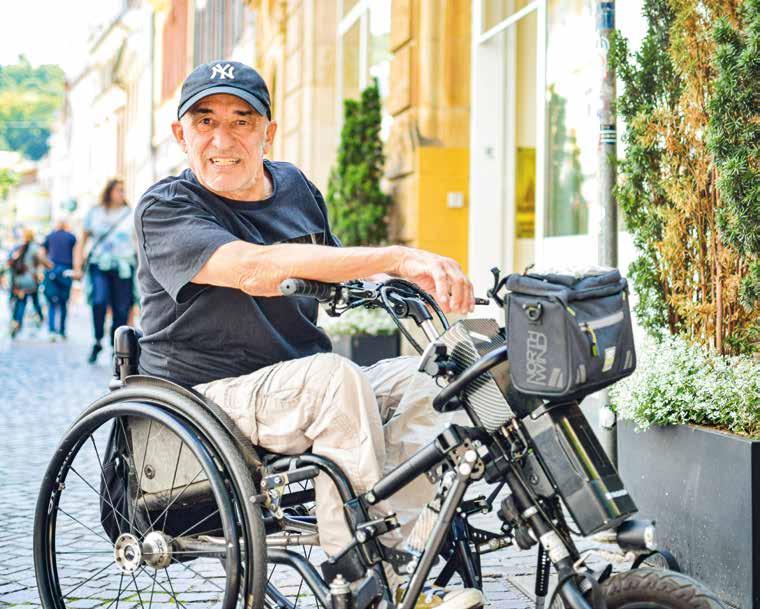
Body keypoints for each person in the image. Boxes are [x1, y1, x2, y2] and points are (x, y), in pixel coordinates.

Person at [135, 61, 482, 609]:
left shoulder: (295, 188)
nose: (222, 139)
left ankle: (404, 559)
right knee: (333, 380)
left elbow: (336, 267)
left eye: (242, 121)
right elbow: (255, 270)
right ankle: (365, 581)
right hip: (206, 397)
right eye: (205, 122)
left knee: (440, 378)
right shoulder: (167, 207)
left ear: (268, 132)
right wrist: (397, 255)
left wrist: (407, 279)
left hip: (296, 381)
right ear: (181, 134)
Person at [73, 178, 137, 363]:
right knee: (99, 301)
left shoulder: (130, 213)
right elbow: (81, 241)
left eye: (123, 190)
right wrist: (77, 267)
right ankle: (97, 339)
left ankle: (115, 347)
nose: (122, 194)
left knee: (121, 308)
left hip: (124, 266)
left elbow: (138, 243)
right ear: (109, 191)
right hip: (99, 264)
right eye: (119, 190)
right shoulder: (95, 213)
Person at [7, 228, 47, 338]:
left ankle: (17, 322)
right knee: (35, 300)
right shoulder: (35, 247)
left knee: (21, 302)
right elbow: (42, 260)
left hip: (19, 281)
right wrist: (49, 266)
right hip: (31, 281)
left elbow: (9, 262)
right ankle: (40, 317)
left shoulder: (18, 247)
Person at [42, 219, 77, 340]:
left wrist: (47, 265)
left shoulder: (50, 236)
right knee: (63, 303)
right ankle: (62, 330)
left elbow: (42, 253)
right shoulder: (71, 237)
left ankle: (52, 330)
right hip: (66, 271)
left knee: (52, 302)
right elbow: (76, 253)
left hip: (52, 271)